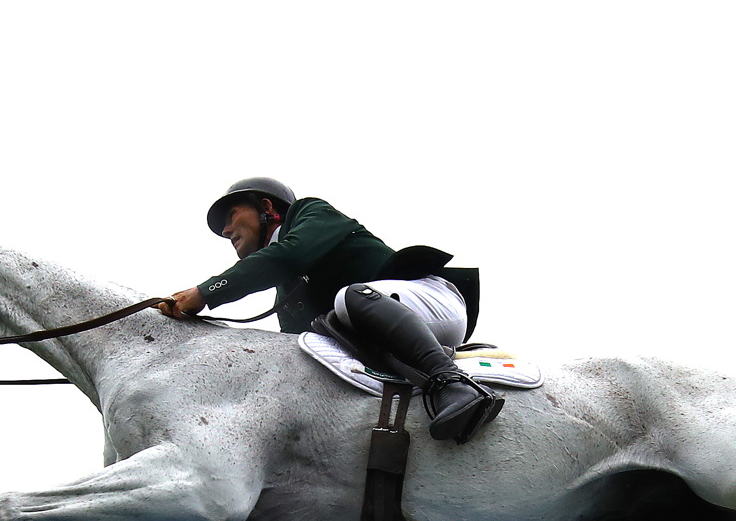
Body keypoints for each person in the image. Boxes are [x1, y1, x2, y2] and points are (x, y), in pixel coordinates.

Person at [159, 177, 502, 443]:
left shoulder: (310, 213)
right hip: (384, 336)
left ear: (267, 207)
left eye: (232, 215)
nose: (225, 230)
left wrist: (206, 292)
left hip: (432, 302)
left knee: (347, 299)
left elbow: (288, 255)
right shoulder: (287, 287)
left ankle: (455, 385)